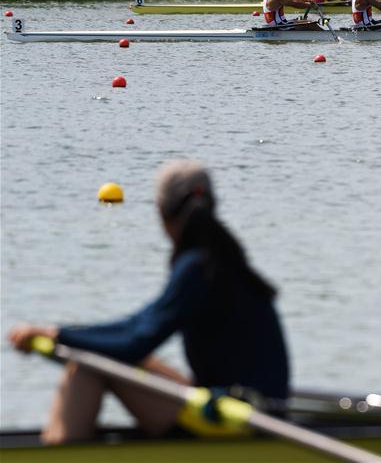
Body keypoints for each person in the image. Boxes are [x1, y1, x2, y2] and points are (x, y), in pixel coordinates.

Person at [8, 160, 290, 444]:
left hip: (240, 421)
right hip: (245, 409)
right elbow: (138, 327)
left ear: (162, 213)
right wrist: (61, 334)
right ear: (213, 206)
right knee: (108, 354)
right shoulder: (222, 260)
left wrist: (57, 335)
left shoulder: (198, 267)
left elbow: (136, 340)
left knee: (87, 363)